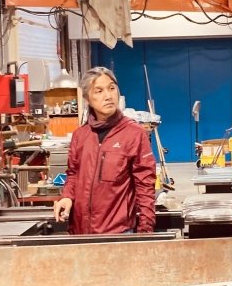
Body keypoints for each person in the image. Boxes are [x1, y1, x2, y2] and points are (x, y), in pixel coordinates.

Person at [53, 67, 157, 235]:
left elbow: (145, 186)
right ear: (87, 98)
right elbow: (73, 174)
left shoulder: (134, 134)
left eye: (111, 88)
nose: (108, 96)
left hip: (118, 232)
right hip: (81, 232)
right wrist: (67, 197)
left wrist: (145, 231)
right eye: (99, 91)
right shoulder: (80, 135)